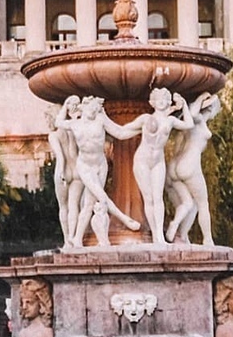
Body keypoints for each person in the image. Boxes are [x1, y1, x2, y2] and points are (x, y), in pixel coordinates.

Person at [57, 96, 141, 246]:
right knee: (101, 197)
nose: (93, 112)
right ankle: (125, 219)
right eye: (91, 108)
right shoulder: (74, 124)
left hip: (100, 164)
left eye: (96, 109)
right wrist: (65, 104)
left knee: (90, 204)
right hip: (85, 165)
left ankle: (78, 238)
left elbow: (120, 133)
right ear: (84, 107)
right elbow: (58, 122)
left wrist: (141, 128)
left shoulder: (101, 120)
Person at [119, 88, 193, 245]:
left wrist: (184, 105)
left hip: (158, 161)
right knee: (149, 198)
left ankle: (159, 236)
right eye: (158, 98)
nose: (161, 100)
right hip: (142, 161)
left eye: (165, 98)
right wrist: (103, 120)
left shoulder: (170, 121)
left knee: (158, 198)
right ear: (152, 102)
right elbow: (122, 131)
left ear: (168, 101)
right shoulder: (145, 119)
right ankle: (155, 235)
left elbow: (189, 124)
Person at [165, 91, 221, 246]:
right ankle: (208, 239)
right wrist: (200, 98)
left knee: (189, 203)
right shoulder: (199, 120)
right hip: (189, 165)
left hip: (174, 166)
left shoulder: (185, 123)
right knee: (203, 203)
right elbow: (194, 112)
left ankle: (180, 232)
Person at [49, 96, 83, 251]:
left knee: (63, 207)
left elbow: (60, 157)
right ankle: (75, 237)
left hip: (63, 171)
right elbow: (74, 153)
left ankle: (67, 241)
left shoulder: (54, 135)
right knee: (74, 205)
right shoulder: (74, 130)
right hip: (77, 169)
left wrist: (62, 171)